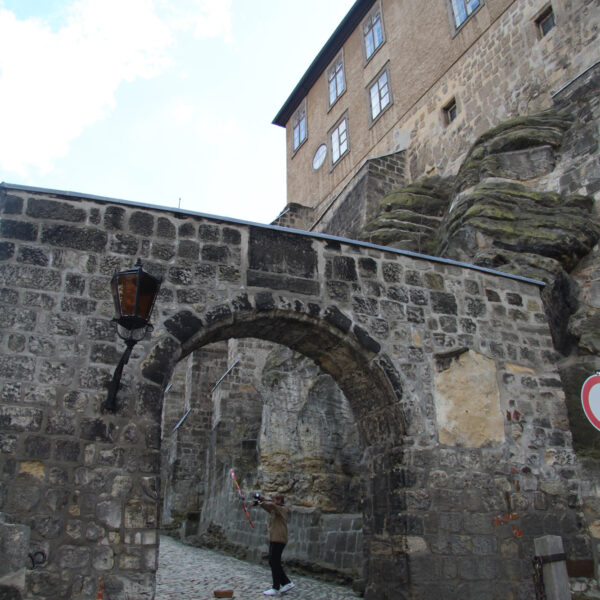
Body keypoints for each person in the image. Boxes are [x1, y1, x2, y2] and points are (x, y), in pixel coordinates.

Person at [255, 492, 295, 596]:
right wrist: (260, 503)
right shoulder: (275, 509)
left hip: (279, 538)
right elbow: (269, 508)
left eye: (277, 499)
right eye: (275, 499)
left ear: (281, 500)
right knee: (273, 562)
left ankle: (276, 587)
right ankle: (286, 583)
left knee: (274, 561)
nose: (275, 501)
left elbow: (272, 506)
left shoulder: (283, 509)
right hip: (274, 538)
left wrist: (264, 500)